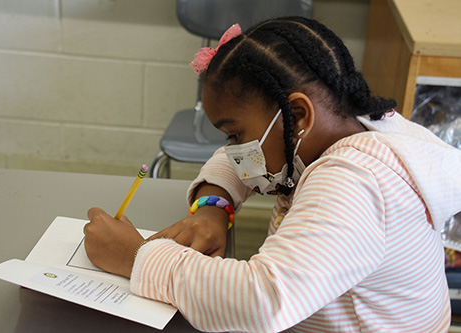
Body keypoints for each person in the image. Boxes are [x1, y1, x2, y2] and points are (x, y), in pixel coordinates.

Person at [84, 16, 461, 332]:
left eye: (235, 134)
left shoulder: (354, 183)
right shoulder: (355, 125)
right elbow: (236, 159)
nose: (233, 149)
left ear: (297, 116)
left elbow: (262, 300)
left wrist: (136, 257)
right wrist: (214, 207)